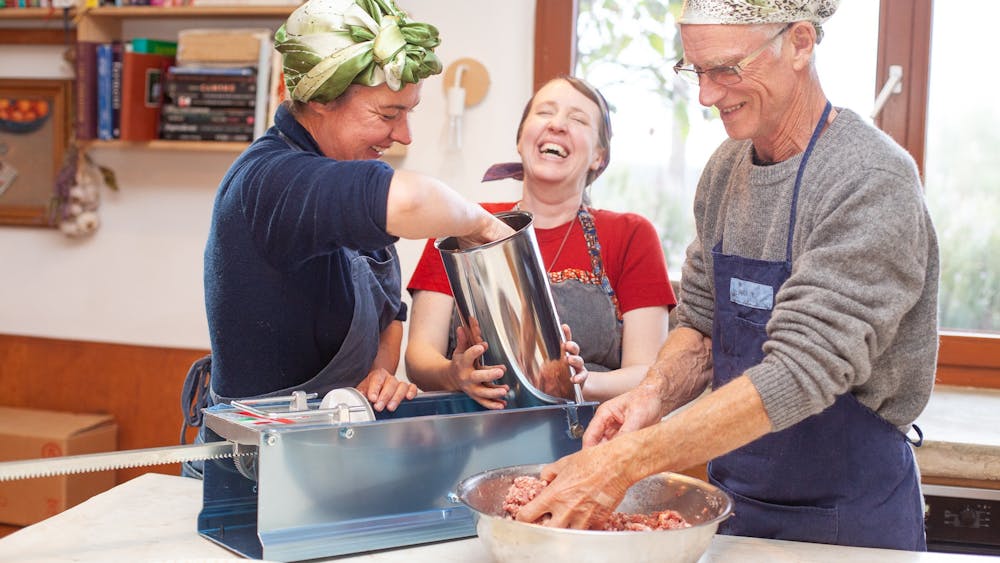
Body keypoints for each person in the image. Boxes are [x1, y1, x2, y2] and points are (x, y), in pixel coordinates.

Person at [515, 0, 939, 552]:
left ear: (800, 43)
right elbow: (700, 324)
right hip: (739, 503)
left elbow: (800, 371)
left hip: (850, 521)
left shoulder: (870, 179)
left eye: (726, 69)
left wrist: (625, 462)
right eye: (696, 70)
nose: (706, 95)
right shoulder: (726, 168)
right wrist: (652, 395)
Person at [180, 0, 513, 471]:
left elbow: (390, 317)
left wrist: (377, 375)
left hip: (325, 457)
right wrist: (485, 225)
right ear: (321, 99)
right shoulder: (271, 181)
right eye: (388, 114)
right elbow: (412, 201)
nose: (405, 135)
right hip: (250, 467)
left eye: (409, 113)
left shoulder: (346, 173)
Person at [405, 76, 676, 409]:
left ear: (599, 157)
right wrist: (453, 375)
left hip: (587, 431)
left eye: (578, 119)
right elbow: (419, 357)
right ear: (520, 140)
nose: (557, 125)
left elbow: (647, 372)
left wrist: (581, 383)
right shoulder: (461, 226)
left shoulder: (631, 234)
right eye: (545, 112)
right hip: (471, 428)